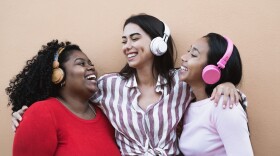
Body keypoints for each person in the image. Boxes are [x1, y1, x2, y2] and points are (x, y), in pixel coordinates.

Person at [12, 14, 243, 156]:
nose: (127, 46)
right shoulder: (108, 86)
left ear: (157, 44)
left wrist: (229, 85)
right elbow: (68, 94)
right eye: (124, 40)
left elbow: (211, 99)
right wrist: (24, 110)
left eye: (134, 38)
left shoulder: (181, 83)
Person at [6, 40, 121, 156]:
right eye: (81, 63)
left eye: (90, 64)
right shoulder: (42, 113)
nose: (91, 67)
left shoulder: (107, 115)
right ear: (58, 75)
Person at [178, 33, 253, 155]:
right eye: (188, 51)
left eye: (193, 54)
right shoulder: (190, 103)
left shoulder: (224, 106)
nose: (183, 57)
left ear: (212, 70)